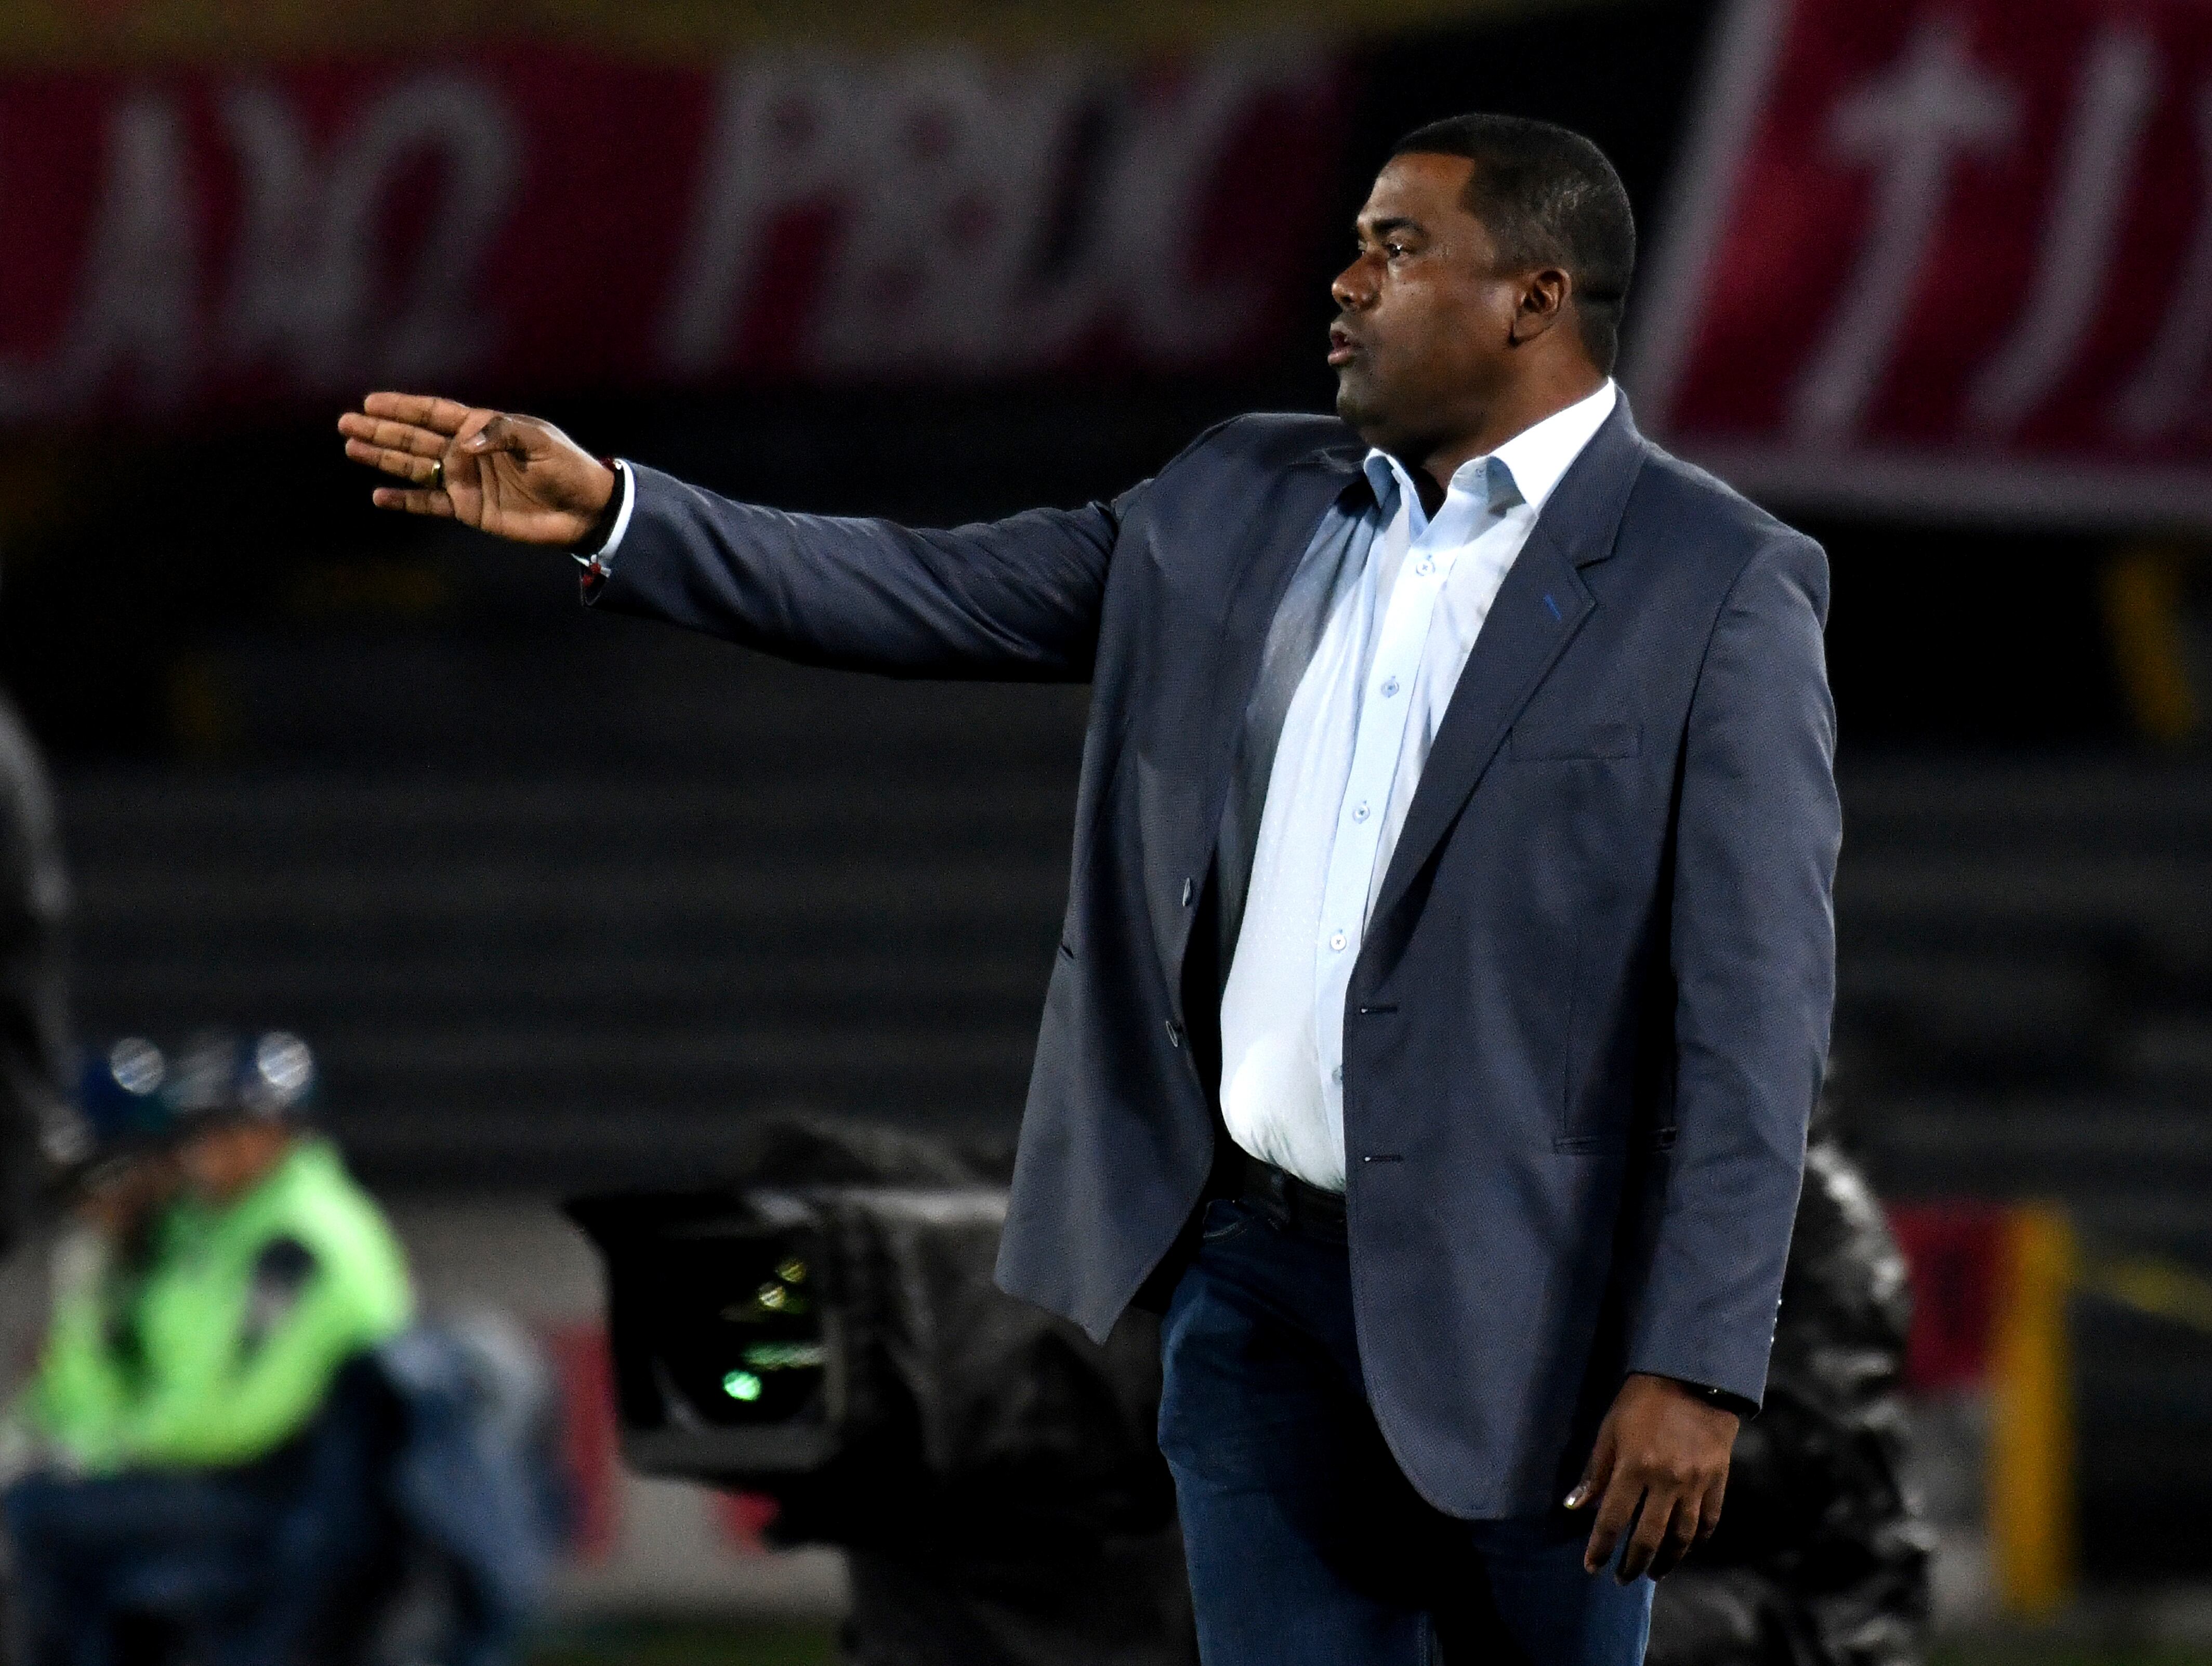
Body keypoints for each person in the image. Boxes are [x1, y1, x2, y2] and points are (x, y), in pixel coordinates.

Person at [340, 113, 1840, 1665]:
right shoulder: (1238, 494)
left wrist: (1696, 1366)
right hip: (1257, 1291)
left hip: (1542, 1321)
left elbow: (1753, 1015)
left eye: (1394, 248)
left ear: (1533, 297)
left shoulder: (1710, 579)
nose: (1340, 282)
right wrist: (616, 514)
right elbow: (926, 589)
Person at [3, 1034, 415, 1666]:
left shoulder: (300, 1240)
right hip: (206, 1470)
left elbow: (241, 1418)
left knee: (36, 1518)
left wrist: (109, 1452)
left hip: (278, 1488)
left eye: (221, 1131)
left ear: (272, 1133)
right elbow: (110, 1376)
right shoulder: (211, 1226)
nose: (200, 1152)